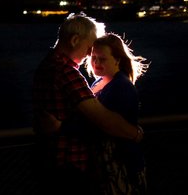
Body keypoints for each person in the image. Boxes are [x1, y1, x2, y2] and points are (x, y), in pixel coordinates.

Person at [33, 13, 144, 195]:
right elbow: (102, 120)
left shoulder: (45, 66)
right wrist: (136, 133)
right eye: (89, 47)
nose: (89, 54)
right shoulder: (66, 73)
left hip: (48, 159)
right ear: (75, 40)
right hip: (70, 164)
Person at [87, 33, 149, 194]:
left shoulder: (121, 86)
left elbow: (107, 124)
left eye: (102, 59)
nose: (96, 63)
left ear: (117, 60)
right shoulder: (99, 82)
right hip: (106, 164)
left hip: (120, 164)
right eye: (94, 57)